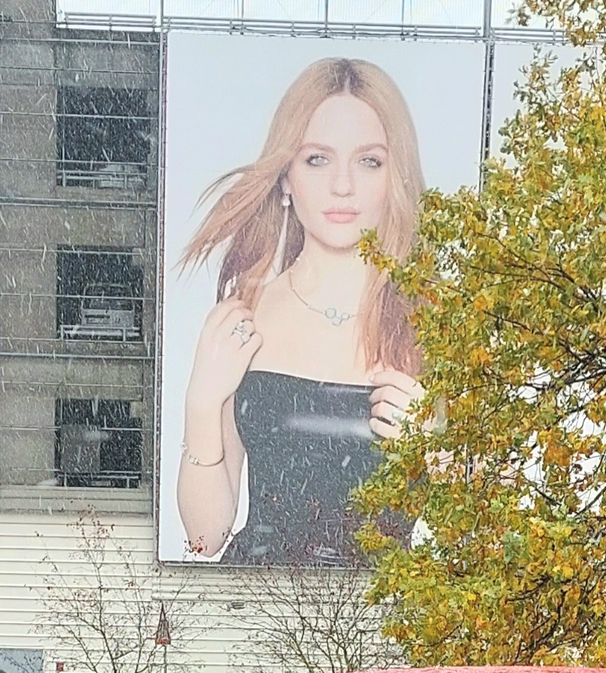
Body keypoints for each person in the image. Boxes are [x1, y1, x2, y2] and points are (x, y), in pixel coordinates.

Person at [175, 58, 428, 566]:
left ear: (394, 177)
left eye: (368, 161)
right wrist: (202, 402)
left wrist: (441, 454)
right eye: (317, 158)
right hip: (255, 625)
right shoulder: (243, 318)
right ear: (286, 176)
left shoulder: (439, 330)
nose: (342, 186)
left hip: (383, 632)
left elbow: (490, 543)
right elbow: (204, 538)